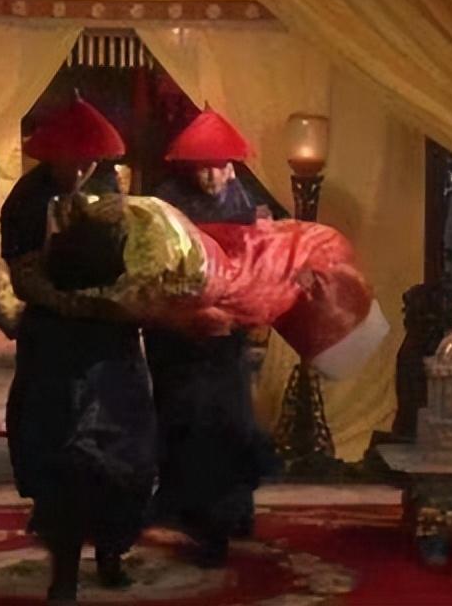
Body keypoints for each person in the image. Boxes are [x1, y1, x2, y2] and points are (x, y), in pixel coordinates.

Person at [1, 94, 157, 604]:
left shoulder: (112, 189)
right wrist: (74, 303)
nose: (84, 168)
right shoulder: (25, 200)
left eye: (92, 160)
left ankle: (112, 552)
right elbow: (24, 276)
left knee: (124, 456)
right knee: (60, 455)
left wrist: (125, 300)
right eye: (75, 159)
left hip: (111, 343)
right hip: (54, 342)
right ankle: (63, 570)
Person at [145, 107, 281, 567]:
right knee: (183, 423)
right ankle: (194, 516)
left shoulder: (245, 201)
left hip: (226, 334)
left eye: (219, 166)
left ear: (232, 167)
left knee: (229, 424)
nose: (211, 176)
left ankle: (231, 514)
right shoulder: (166, 203)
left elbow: (258, 262)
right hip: (179, 334)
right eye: (202, 167)